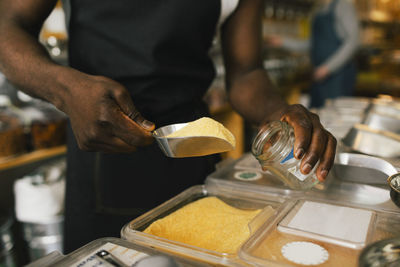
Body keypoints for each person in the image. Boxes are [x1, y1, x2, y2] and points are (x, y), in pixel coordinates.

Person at [0, 0, 336, 253]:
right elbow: (7, 26)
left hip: (190, 154)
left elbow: (247, 73)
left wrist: (282, 112)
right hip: (104, 157)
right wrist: (67, 90)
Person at [267, 0, 359, 108]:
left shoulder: (342, 6)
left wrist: (328, 68)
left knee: (335, 115)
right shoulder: (318, 9)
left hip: (338, 77)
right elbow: (312, 44)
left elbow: (353, 41)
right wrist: (282, 42)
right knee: (317, 115)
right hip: (319, 75)